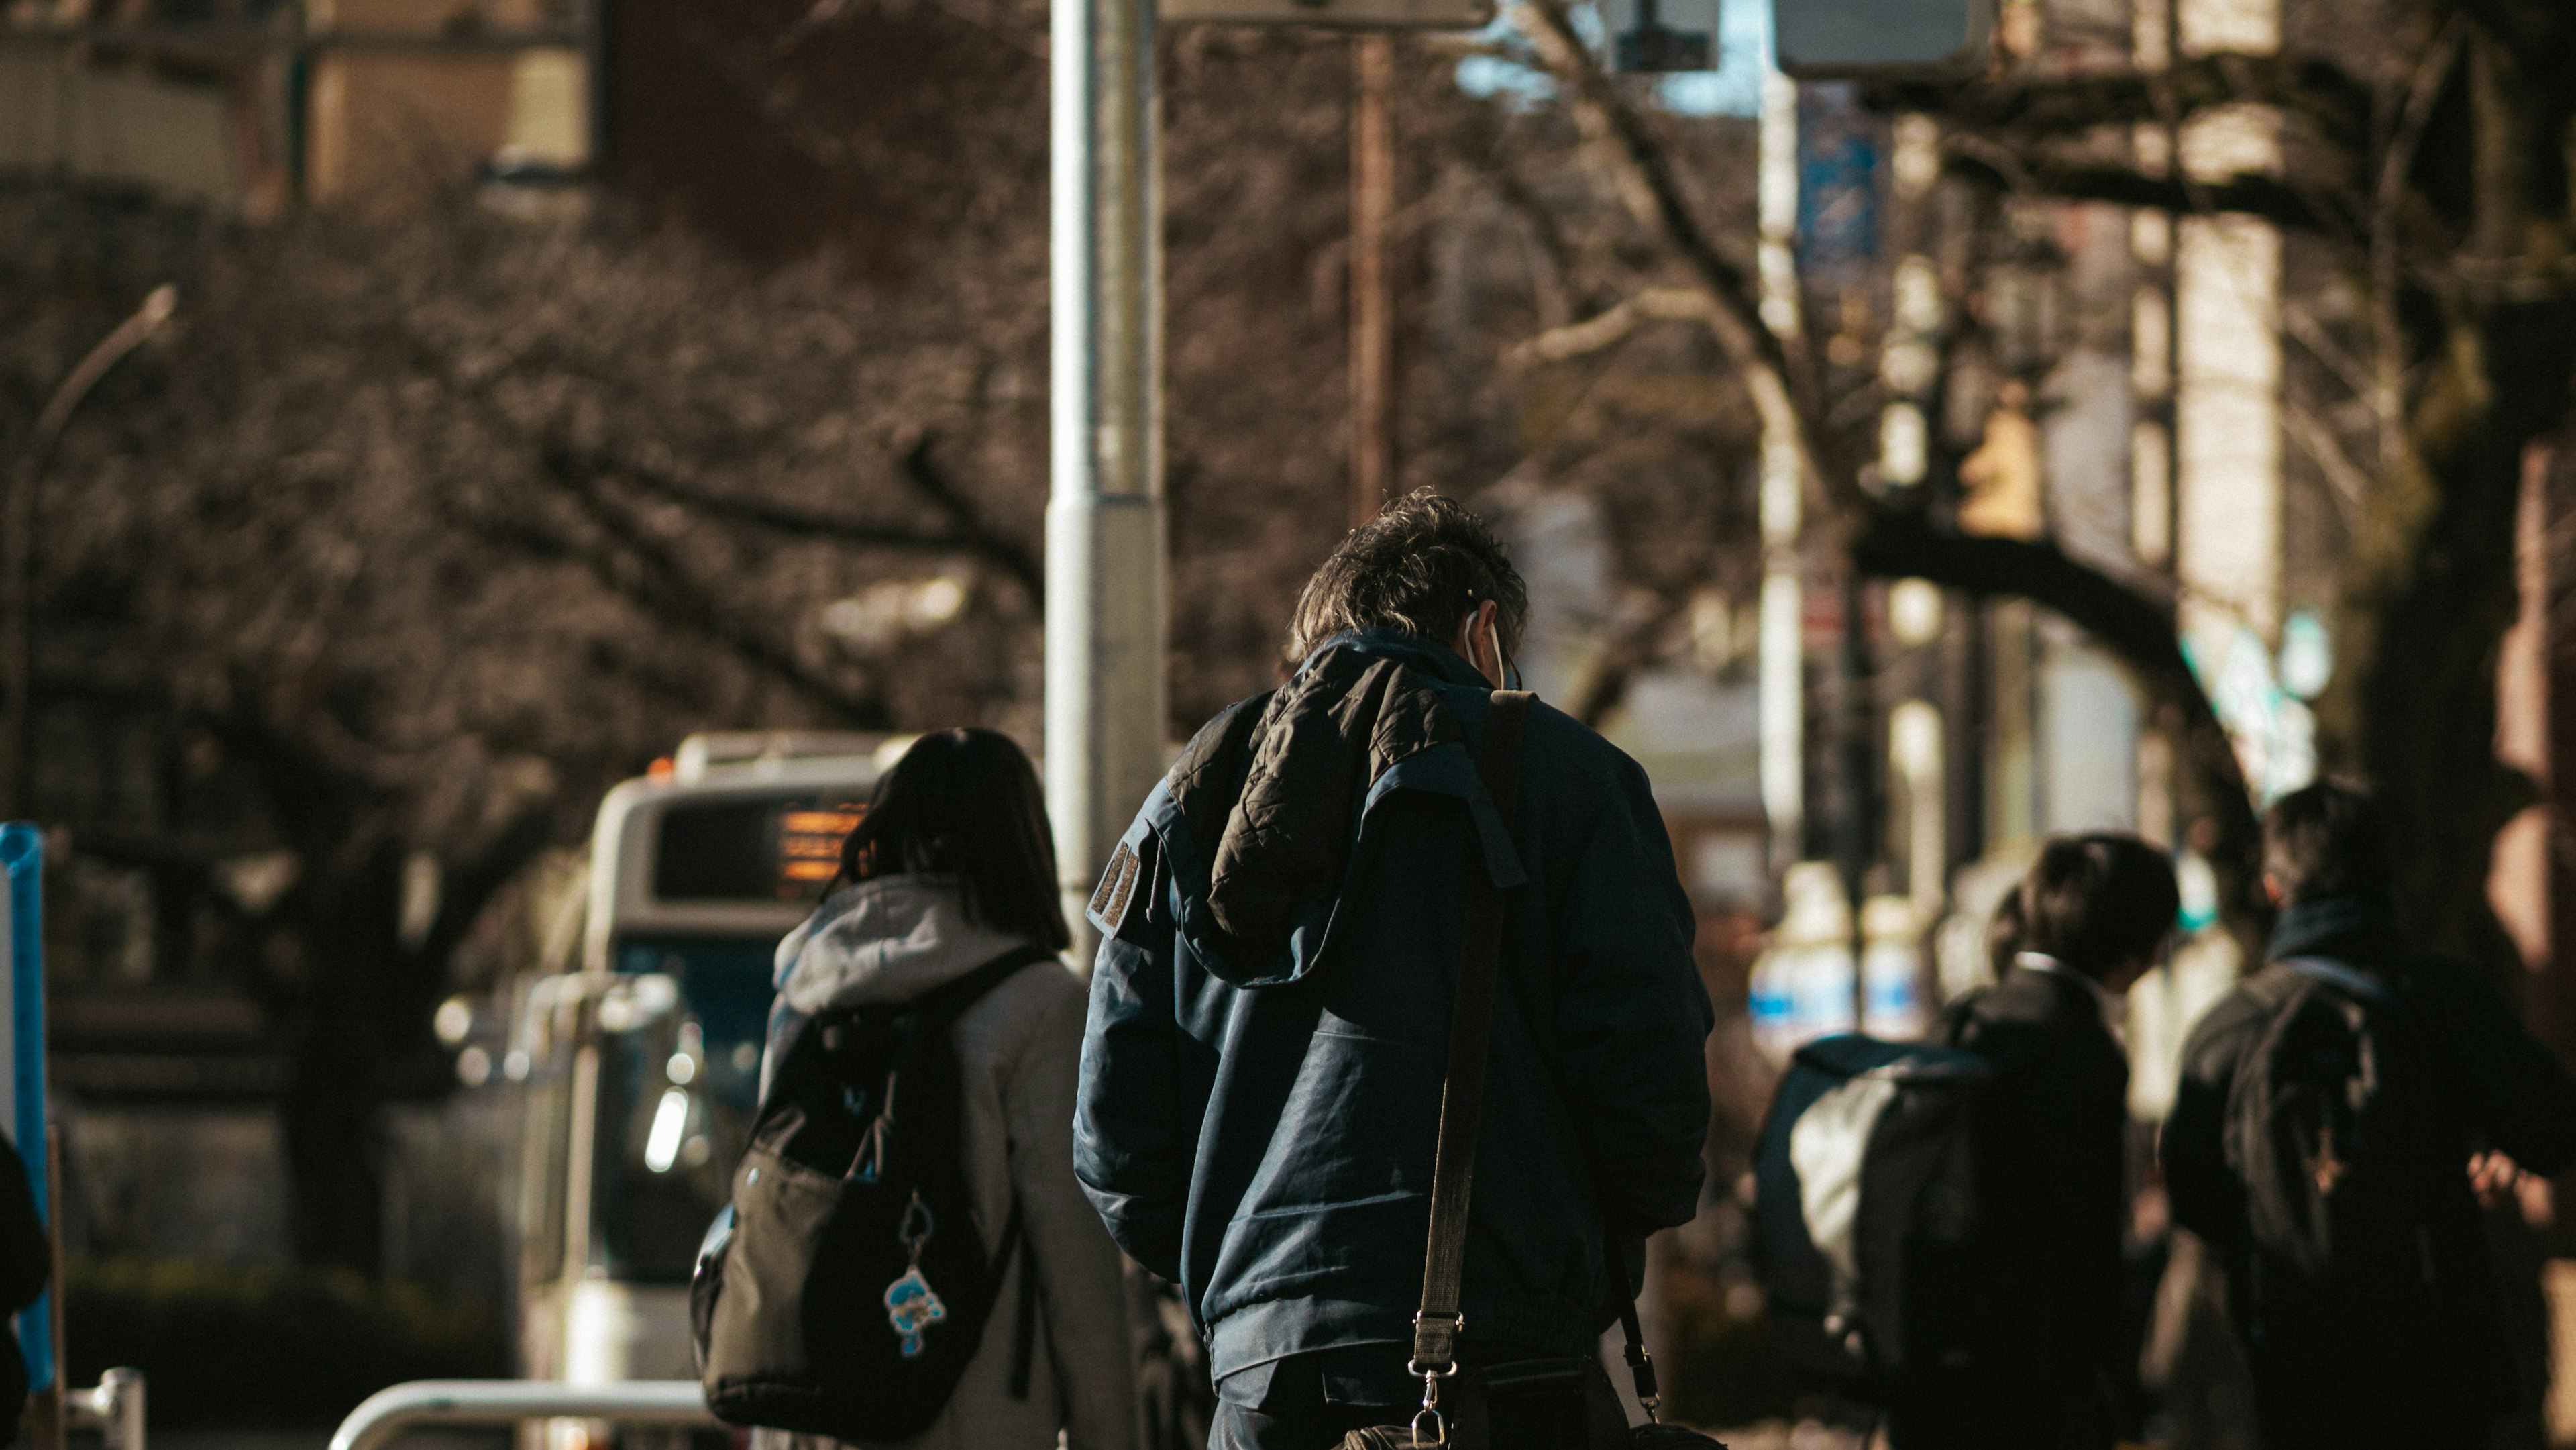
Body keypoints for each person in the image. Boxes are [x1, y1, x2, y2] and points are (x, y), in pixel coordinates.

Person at [1072, 491, 1715, 1450]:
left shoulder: (1184, 804)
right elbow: (1652, 1096)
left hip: (1264, 1378)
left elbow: (1115, 1144)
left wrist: (1250, 1277)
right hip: (1511, 1364)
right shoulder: (1575, 779)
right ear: (1485, 631)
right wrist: (1570, 1245)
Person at [2161, 781, 2576, 1450]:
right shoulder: (2445, 1001)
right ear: (2385, 876)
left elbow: (2197, 1200)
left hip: (2290, 1363)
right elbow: (2554, 1132)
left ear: (2273, 887)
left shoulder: (2229, 1029)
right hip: (2433, 1365)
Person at [753, 728, 1137, 1450]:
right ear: (1024, 842)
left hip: (816, 1411)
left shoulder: (808, 986)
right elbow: (1075, 1260)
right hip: (972, 1415)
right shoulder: (1038, 1002)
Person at [1911, 833, 2176, 1450]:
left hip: (1932, 1356)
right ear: (2131, 953)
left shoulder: (1966, 1019)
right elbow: (2089, 1241)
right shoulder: (2082, 1049)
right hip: (2029, 1379)